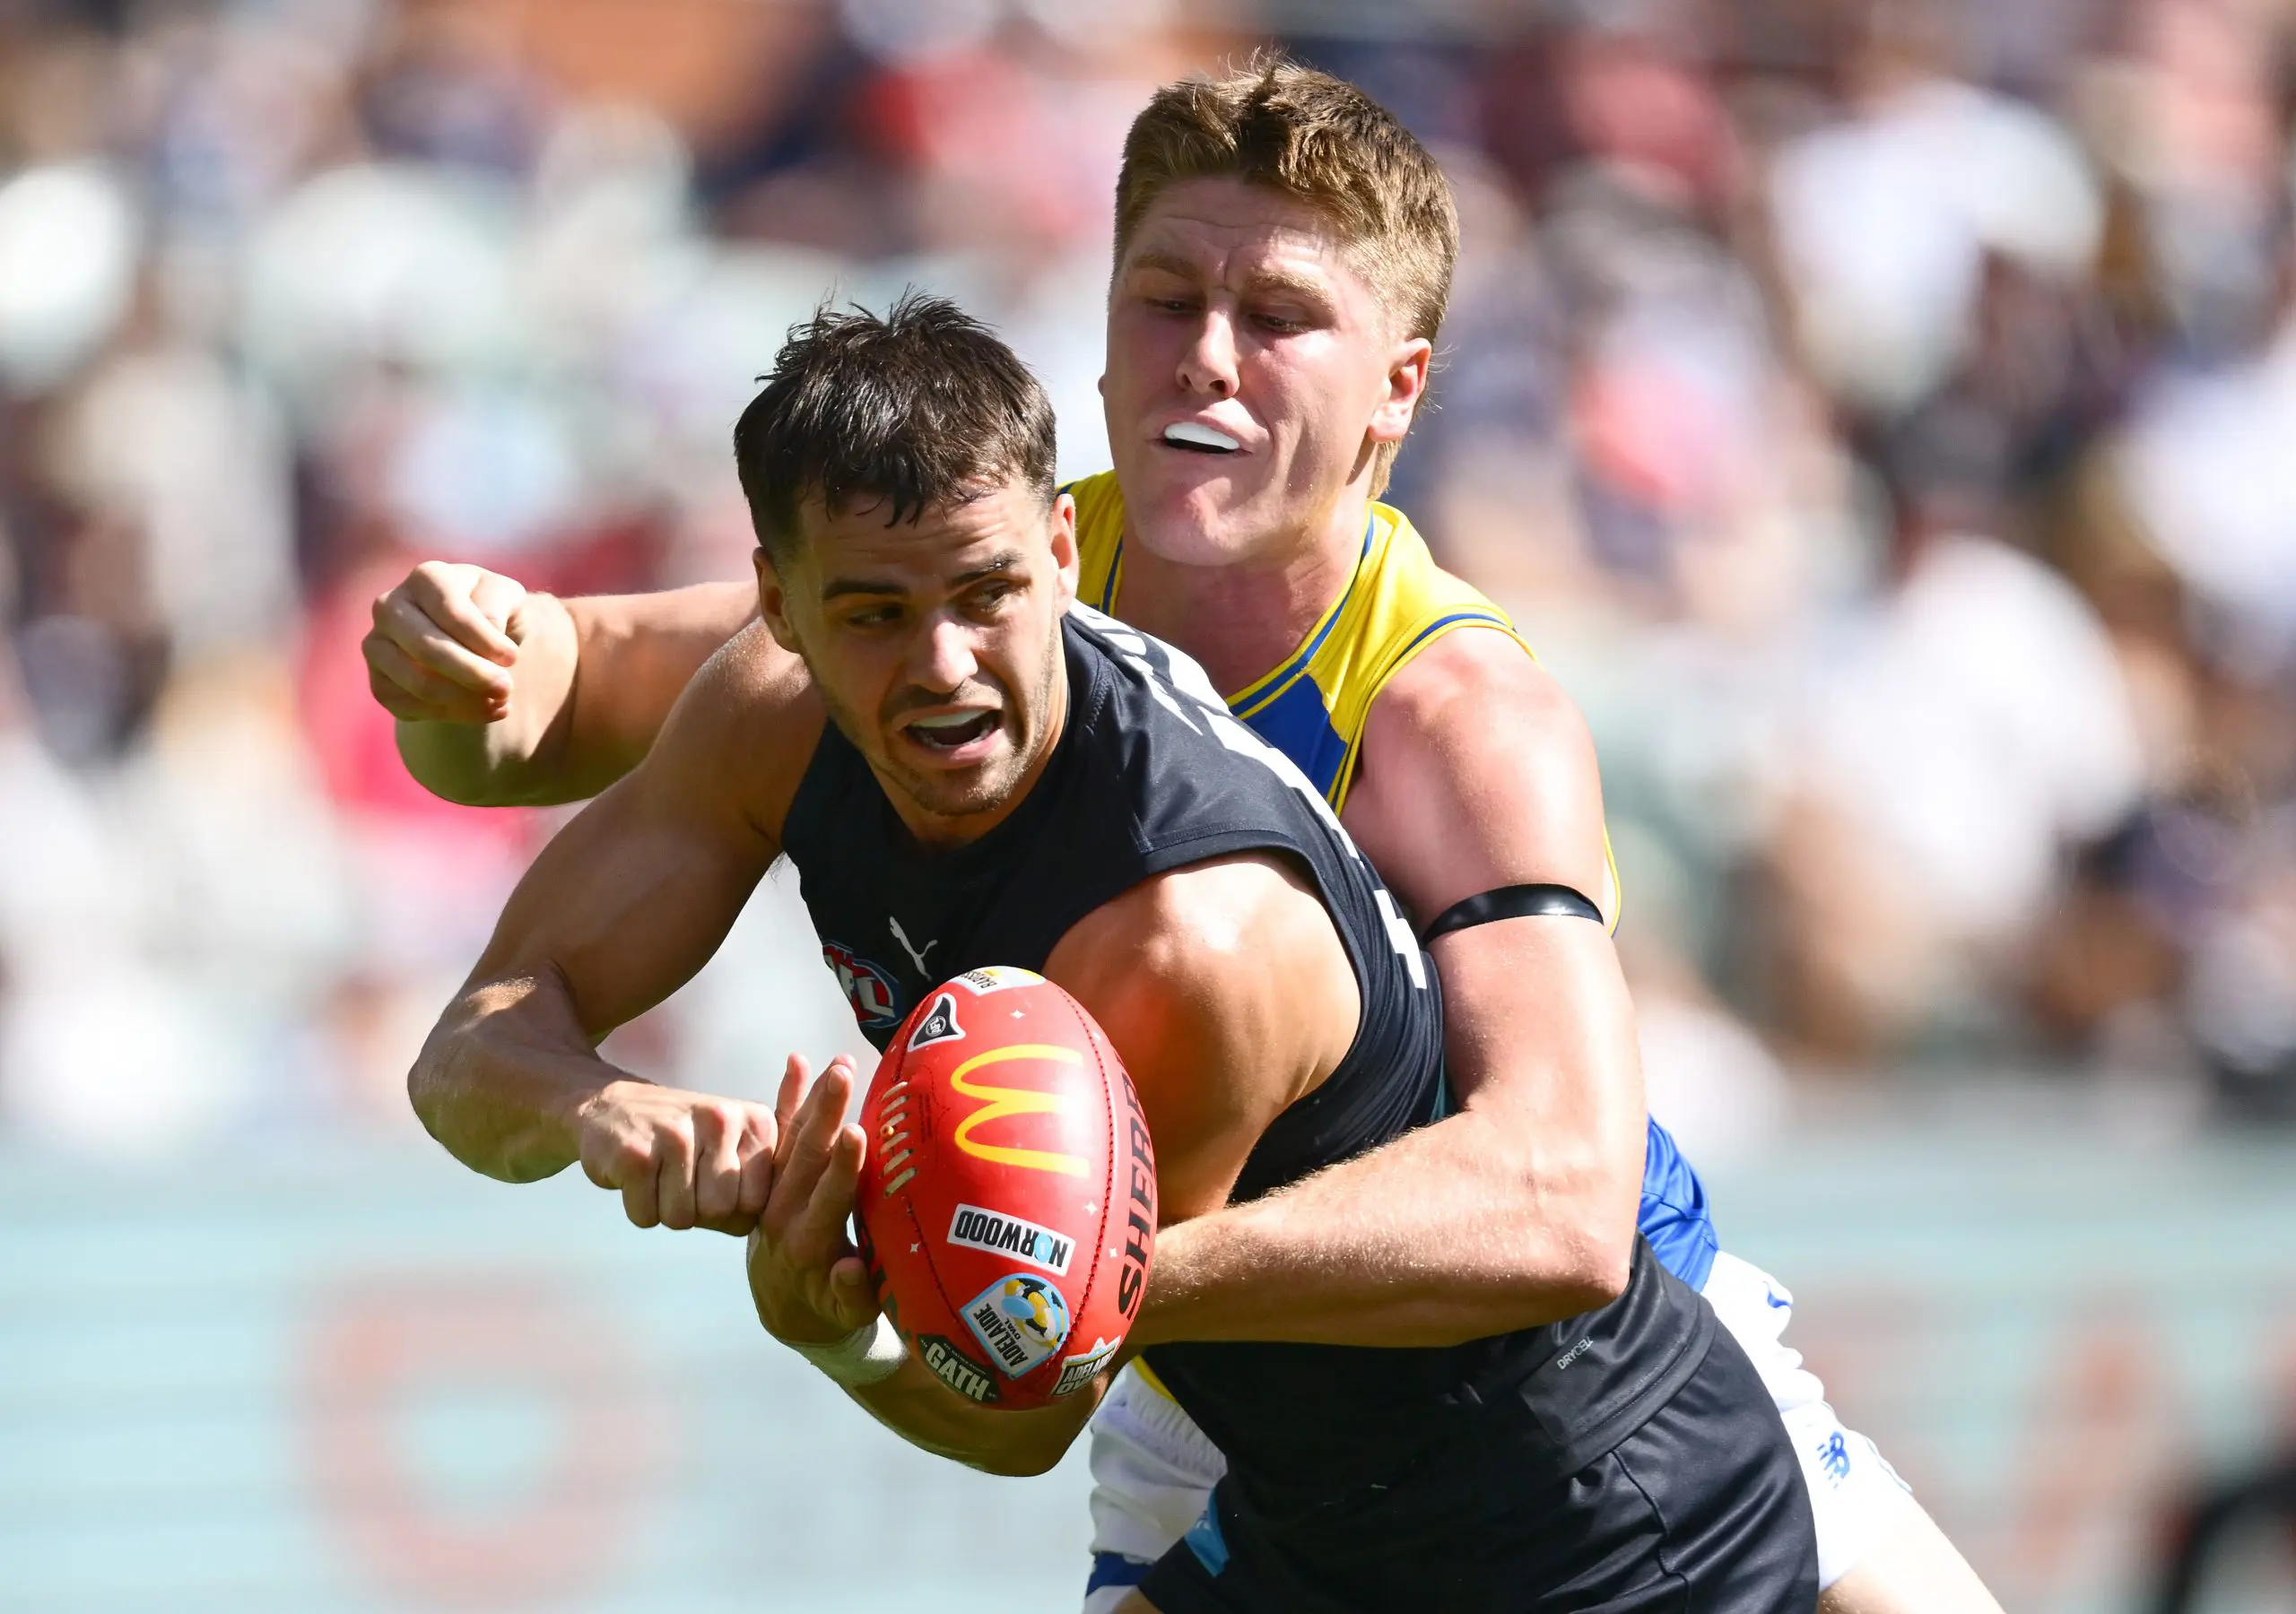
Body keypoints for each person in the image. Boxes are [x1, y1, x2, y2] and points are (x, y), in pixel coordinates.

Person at [371, 59, 2000, 1614]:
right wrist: (458, 663)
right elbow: (549, 711)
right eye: (1167, 301)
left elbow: (1561, 1201)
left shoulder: (1452, 717)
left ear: (1399, 392)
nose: (1208, 356)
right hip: (1194, 1370)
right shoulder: (975, 579)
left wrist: (1063, 1255)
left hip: (1551, 1393)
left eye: (1281, 315)